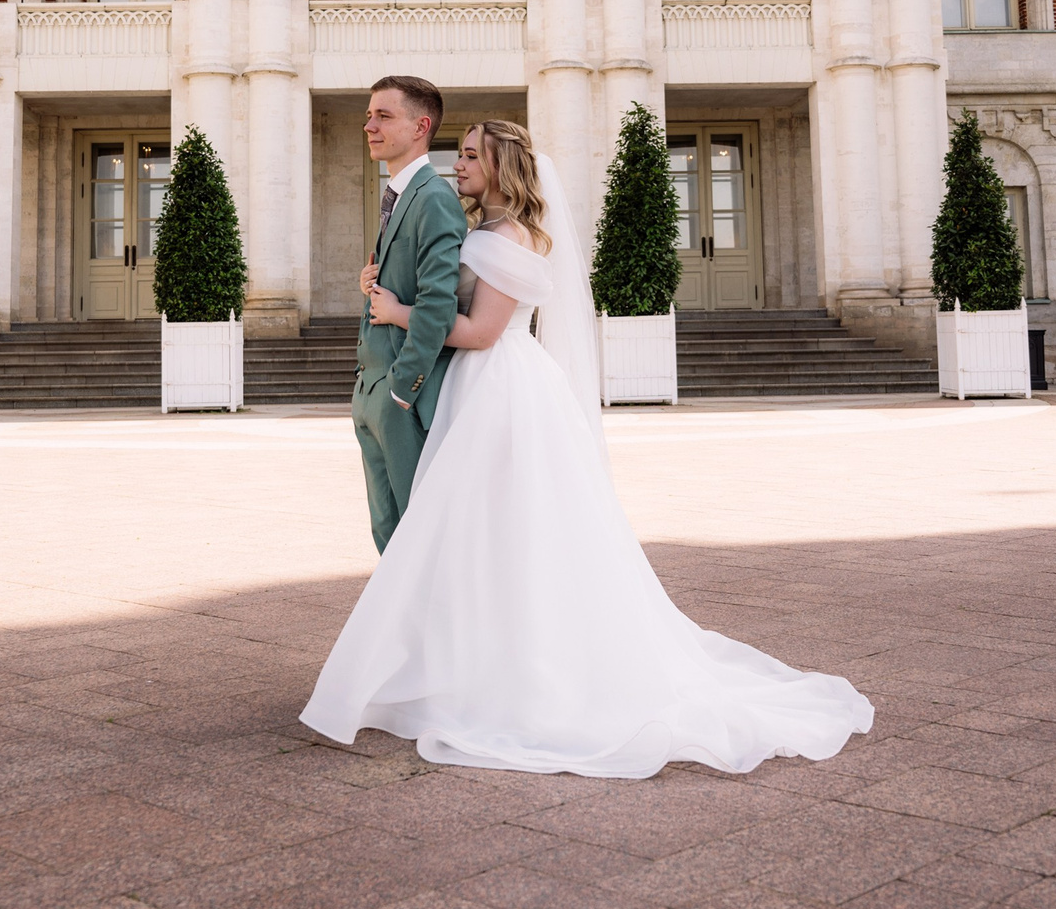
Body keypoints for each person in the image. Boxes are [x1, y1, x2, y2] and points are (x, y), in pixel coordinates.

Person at [303, 119, 875, 778]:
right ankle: (470, 657)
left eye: (469, 156)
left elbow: (485, 331)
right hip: (484, 388)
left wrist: (397, 315)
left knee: (499, 528)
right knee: (483, 532)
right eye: (456, 153)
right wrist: (387, 288)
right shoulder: (482, 232)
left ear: (501, 166)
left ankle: (515, 670)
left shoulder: (508, 238)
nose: (456, 165)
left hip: (499, 389)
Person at [351, 75, 467, 553]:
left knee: (415, 536)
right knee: (388, 531)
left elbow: (440, 303)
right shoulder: (400, 194)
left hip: (401, 398)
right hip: (370, 388)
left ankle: (430, 628)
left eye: (384, 115)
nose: (369, 126)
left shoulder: (434, 197)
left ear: (421, 126)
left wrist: (404, 388)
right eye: (368, 115)